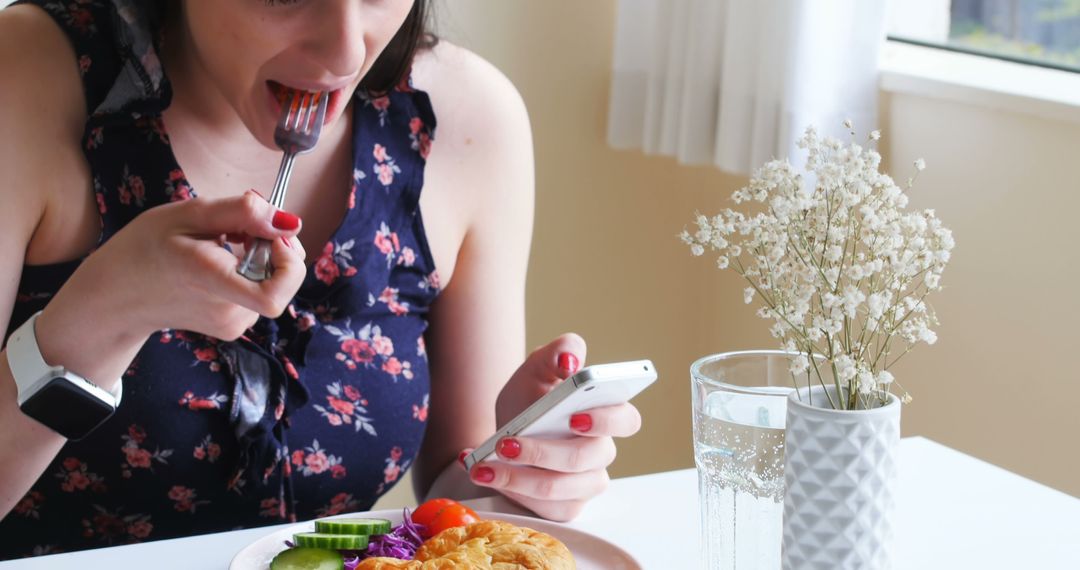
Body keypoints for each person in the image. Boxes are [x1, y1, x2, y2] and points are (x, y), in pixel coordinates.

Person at [0, 0, 642, 558]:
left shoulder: (465, 119)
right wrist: (103, 312)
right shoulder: (24, 75)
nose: (346, 49)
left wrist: (520, 469)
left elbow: (452, 499)